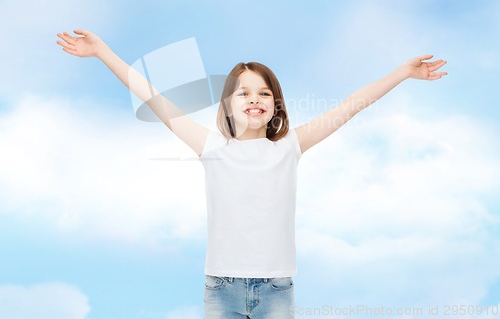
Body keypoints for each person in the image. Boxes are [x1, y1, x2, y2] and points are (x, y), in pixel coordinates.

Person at [56, 29, 448, 318]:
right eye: (243, 93)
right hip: (221, 288)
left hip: (277, 289)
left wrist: (402, 73)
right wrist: (102, 50)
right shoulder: (211, 147)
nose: (254, 99)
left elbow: (352, 105)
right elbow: (153, 98)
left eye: (263, 93)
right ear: (228, 105)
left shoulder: (290, 147)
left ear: (275, 105)